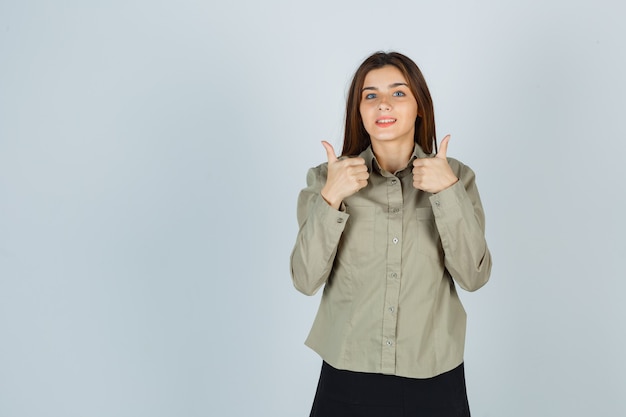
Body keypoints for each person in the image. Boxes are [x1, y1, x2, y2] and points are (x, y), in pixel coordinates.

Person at [290, 51, 492, 417]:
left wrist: (447, 193)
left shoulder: (457, 177)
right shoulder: (326, 179)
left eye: (398, 93)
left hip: (434, 377)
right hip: (346, 375)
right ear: (359, 111)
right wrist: (331, 198)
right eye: (370, 95)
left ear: (419, 106)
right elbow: (304, 279)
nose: (383, 103)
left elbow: (474, 276)